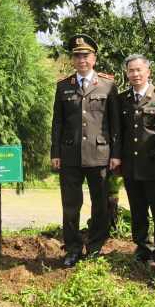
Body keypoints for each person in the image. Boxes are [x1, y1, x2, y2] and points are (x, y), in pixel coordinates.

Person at [50, 34, 120, 267]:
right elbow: (57, 123)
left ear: (94, 58)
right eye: (77, 56)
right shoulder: (63, 86)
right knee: (70, 205)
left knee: (100, 205)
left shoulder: (108, 85)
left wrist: (116, 154)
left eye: (86, 55)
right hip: (70, 155)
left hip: (100, 155)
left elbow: (115, 123)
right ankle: (71, 248)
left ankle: (94, 247)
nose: (81, 60)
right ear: (73, 59)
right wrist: (55, 154)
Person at [114, 54, 155, 263]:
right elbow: (118, 133)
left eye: (139, 70)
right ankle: (142, 247)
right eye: (131, 70)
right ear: (127, 73)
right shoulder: (122, 99)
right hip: (132, 166)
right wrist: (118, 159)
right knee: (138, 210)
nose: (135, 74)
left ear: (148, 71)